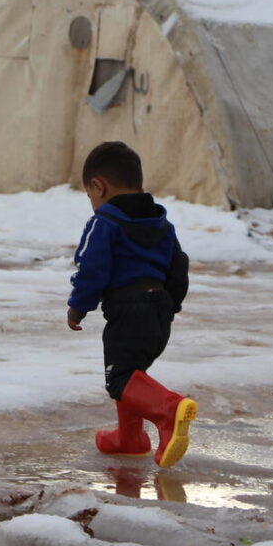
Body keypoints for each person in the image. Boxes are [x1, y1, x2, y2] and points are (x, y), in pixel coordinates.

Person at [66, 141, 196, 469]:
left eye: (90, 196)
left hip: (127, 309)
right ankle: (129, 438)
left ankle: (168, 410)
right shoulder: (162, 225)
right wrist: (169, 306)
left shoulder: (105, 223)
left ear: (99, 186)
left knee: (120, 378)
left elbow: (92, 267)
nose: (93, 203)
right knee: (132, 374)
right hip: (159, 310)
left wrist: (78, 305)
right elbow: (178, 267)